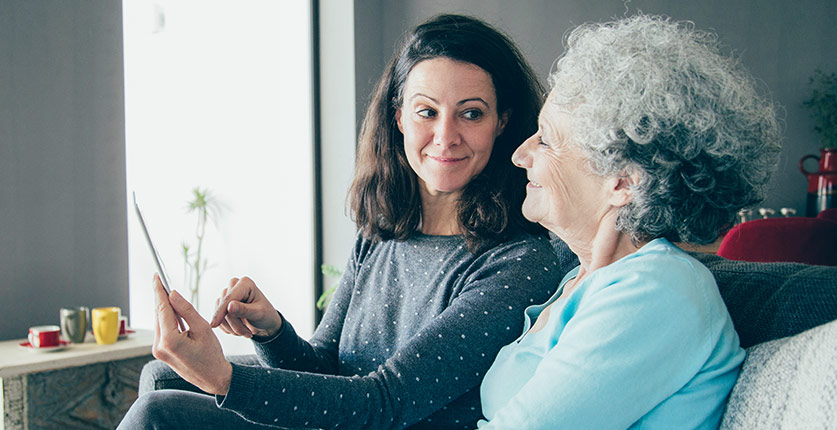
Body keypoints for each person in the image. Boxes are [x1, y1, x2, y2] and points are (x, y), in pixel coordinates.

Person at [118, 14, 562, 430]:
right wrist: (271, 331)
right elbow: (328, 365)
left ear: (502, 122)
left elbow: (384, 402)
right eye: (427, 111)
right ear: (399, 118)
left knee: (159, 413)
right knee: (162, 376)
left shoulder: (517, 262)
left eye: (471, 113)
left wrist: (224, 379)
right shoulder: (382, 233)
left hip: (381, 417)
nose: (445, 136)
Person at [478, 14, 781, 429]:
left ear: (621, 182)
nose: (520, 155)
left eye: (545, 138)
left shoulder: (657, 289)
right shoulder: (583, 280)